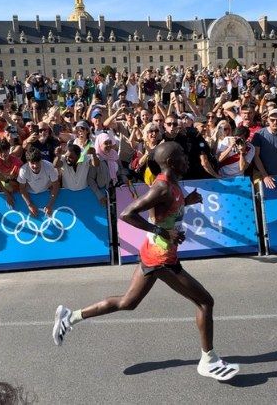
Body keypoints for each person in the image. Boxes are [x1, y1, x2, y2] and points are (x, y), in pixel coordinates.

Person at [52, 142, 238, 381]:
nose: (187, 158)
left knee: (128, 302)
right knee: (205, 302)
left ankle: (71, 316)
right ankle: (208, 360)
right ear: (171, 162)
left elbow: (167, 210)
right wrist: (161, 232)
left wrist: (187, 201)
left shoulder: (172, 185)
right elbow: (126, 214)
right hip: (161, 258)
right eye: (183, 154)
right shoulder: (161, 187)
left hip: (154, 253)